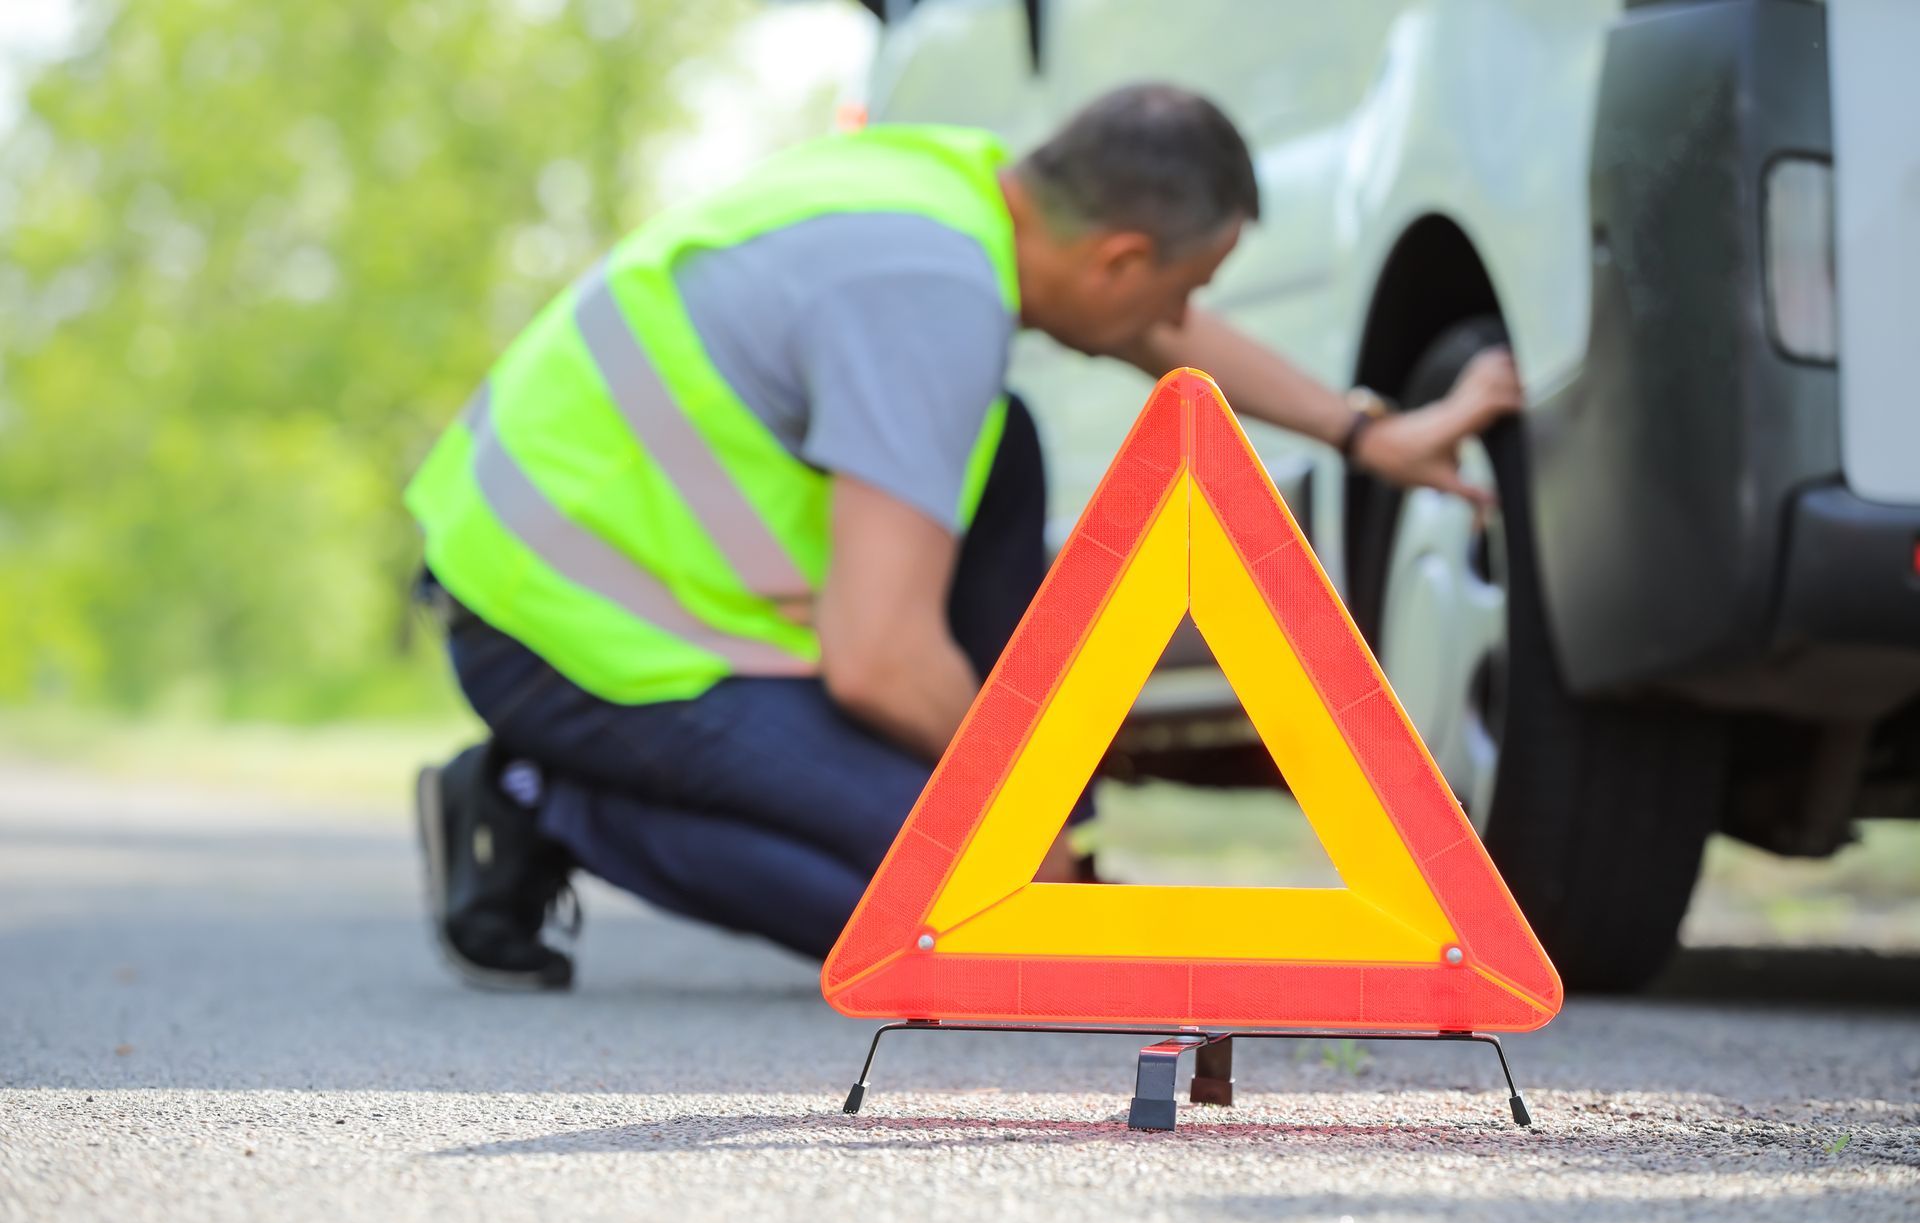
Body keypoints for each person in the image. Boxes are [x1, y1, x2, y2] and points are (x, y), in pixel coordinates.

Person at [406, 84, 1523, 990]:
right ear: (1121, 258)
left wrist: (1364, 432)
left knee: (1008, 442)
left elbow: (1153, 337)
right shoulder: (929, 294)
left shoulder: (957, 186)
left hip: (657, 582)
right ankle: (532, 798)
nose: (1177, 328)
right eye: (1181, 293)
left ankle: (1032, 855)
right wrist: (1021, 822)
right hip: (550, 625)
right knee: (942, 914)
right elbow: (880, 658)